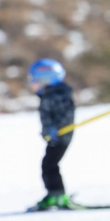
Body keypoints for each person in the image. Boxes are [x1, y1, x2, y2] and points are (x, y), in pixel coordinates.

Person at [28, 58, 75, 210]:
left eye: (35, 80)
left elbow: (66, 115)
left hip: (61, 137)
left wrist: (56, 129)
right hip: (53, 137)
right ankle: (54, 193)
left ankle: (58, 196)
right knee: (48, 164)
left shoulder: (58, 94)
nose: (33, 84)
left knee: (49, 164)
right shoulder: (49, 94)